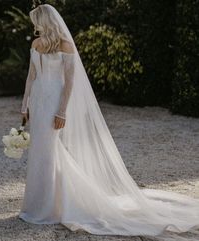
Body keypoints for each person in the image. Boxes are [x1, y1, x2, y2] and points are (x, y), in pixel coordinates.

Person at [19, 4, 199, 241]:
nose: (35, 26)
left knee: (51, 150)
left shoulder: (66, 45)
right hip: (39, 100)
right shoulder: (35, 44)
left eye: (37, 21)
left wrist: (62, 110)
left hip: (54, 100)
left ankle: (53, 205)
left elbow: (70, 81)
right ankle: (39, 203)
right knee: (40, 150)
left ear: (46, 22)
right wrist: (24, 105)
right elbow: (32, 76)